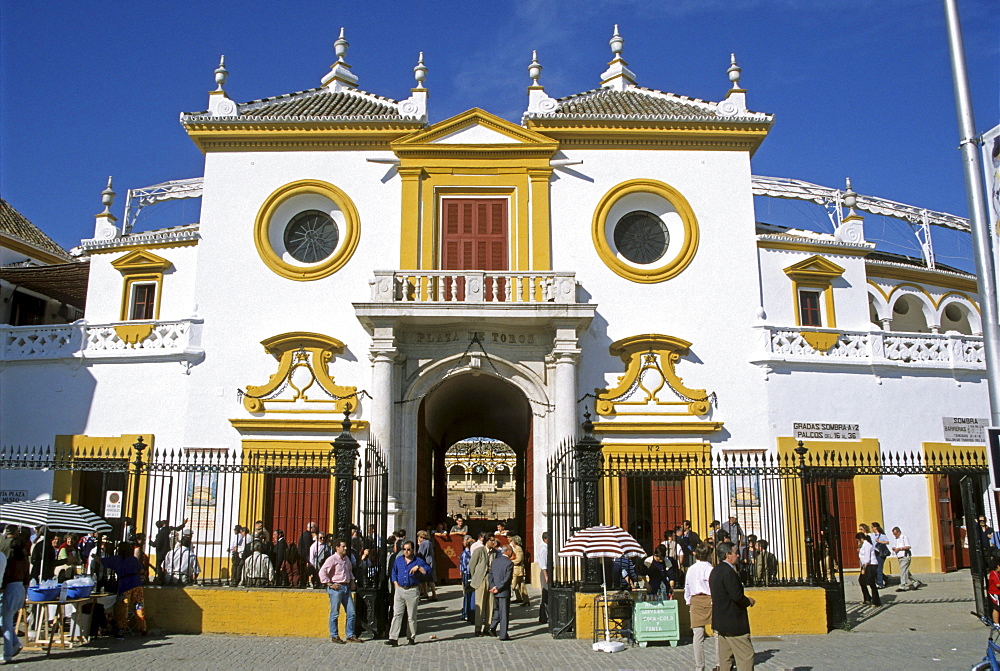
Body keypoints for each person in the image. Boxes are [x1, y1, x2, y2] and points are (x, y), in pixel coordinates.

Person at [710, 541, 756, 671]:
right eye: (735, 553)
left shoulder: (716, 570)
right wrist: (748, 601)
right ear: (727, 555)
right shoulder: (728, 572)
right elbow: (736, 596)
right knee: (746, 655)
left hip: (721, 620)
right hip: (733, 621)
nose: (738, 556)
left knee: (725, 658)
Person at [99, 541, 147, 637]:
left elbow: (102, 561)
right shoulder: (133, 559)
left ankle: (121, 628)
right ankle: (143, 628)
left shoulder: (117, 559)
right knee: (139, 605)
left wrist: (94, 556)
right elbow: (141, 570)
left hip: (125, 585)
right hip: (137, 583)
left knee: (123, 607)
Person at [385, 540, 429, 646]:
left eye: (408, 549)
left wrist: (418, 567)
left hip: (412, 590)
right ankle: (393, 638)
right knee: (397, 614)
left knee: (411, 616)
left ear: (413, 550)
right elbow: (393, 572)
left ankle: (411, 637)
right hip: (400, 589)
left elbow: (428, 570)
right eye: (404, 549)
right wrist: (395, 584)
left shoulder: (418, 560)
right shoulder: (399, 560)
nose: (406, 552)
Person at [319, 538, 362, 643]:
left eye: (345, 546)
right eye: (343, 546)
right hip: (336, 588)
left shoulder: (346, 559)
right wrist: (329, 584)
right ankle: (334, 635)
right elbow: (322, 572)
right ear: (337, 548)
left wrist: (352, 581)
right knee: (335, 612)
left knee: (351, 612)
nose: (345, 548)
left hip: (346, 587)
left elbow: (349, 571)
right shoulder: (332, 559)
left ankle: (350, 634)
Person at [685, 543, 715, 671]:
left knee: (697, 635)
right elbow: (714, 586)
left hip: (695, 599)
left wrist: (688, 600)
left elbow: (687, 586)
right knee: (718, 633)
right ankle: (720, 662)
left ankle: (699, 666)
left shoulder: (691, 569)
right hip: (709, 599)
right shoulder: (710, 569)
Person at [2, 538, 29, 663]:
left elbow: (6, 577)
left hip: (11, 588)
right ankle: (15, 643)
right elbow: (26, 580)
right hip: (20, 589)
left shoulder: (11, 562)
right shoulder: (24, 561)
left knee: (6, 623)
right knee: (8, 621)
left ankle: (8, 653)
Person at [470, 535, 498, 636]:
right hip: (481, 579)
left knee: (490, 604)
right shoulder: (479, 551)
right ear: (487, 541)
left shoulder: (495, 553)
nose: (493, 543)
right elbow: (472, 565)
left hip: (491, 579)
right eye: (492, 541)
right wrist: (476, 576)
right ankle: (478, 628)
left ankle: (488, 627)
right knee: (480, 604)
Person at [489, 544, 514, 640]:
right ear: (506, 551)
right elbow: (507, 578)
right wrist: (498, 588)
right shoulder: (509, 563)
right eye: (510, 550)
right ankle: (503, 634)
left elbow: (490, 575)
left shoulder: (495, 562)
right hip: (503, 591)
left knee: (496, 610)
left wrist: (493, 586)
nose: (512, 552)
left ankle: (493, 627)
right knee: (504, 613)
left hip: (495, 590)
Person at [891, 526, 923, 592]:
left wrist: (900, 549)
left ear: (899, 532)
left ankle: (902, 586)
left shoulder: (904, 537)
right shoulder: (896, 539)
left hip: (905, 556)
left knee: (903, 571)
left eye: (896, 533)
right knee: (905, 571)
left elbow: (908, 546)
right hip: (899, 557)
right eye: (894, 534)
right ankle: (915, 582)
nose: (895, 535)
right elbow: (897, 546)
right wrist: (894, 549)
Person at [856, 532, 881, 607]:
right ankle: (867, 598)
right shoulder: (863, 545)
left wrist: (864, 568)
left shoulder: (867, 545)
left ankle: (876, 601)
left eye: (858, 540)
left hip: (870, 565)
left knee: (871, 582)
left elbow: (867, 558)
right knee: (862, 581)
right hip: (865, 565)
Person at [415, 530, 437, 601]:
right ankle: (426, 593)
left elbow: (420, 554)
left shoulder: (423, 544)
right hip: (431, 561)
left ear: (421, 537)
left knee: (428, 579)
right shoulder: (429, 542)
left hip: (426, 563)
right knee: (426, 578)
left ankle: (433, 594)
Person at [509, 535, 530, 607]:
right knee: (521, 585)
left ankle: (523, 599)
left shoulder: (518, 549)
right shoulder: (516, 548)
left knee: (513, 585)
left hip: (517, 569)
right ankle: (524, 599)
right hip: (517, 569)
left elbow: (519, 559)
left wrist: (510, 562)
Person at [459, 536, 475, 623]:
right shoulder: (466, 553)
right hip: (467, 574)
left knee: (469, 594)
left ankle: (468, 612)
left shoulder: (467, 553)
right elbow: (466, 566)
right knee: (467, 594)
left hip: (467, 574)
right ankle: (465, 613)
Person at [871, 522, 890, 589]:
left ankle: (880, 584)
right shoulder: (872, 535)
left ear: (875, 528)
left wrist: (879, 541)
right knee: (875, 568)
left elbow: (887, 542)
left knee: (879, 569)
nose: (872, 528)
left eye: (872, 527)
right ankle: (884, 578)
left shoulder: (882, 535)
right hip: (874, 553)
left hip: (881, 553)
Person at [537, 531, 550, 625]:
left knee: (546, 594)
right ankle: (543, 615)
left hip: (546, 571)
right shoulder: (543, 549)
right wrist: (546, 575)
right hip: (545, 572)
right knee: (545, 594)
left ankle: (544, 615)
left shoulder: (545, 548)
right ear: (545, 539)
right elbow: (543, 564)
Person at [988, 555, 1000, 625]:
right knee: (997, 607)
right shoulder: (994, 573)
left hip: (998, 592)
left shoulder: (997, 573)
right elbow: (998, 584)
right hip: (994, 592)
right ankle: (996, 623)